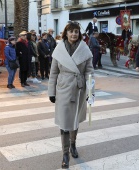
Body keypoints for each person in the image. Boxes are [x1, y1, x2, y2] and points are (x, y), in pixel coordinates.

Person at [48, 21, 94, 169]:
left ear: (79, 33)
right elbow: (53, 73)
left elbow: (89, 72)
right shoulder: (59, 49)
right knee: (64, 123)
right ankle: (65, 154)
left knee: (74, 120)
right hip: (63, 89)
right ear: (65, 33)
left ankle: (73, 144)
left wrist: (90, 92)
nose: (73, 34)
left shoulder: (85, 49)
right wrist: (51, 92)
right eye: (71, 31)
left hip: (79, 89)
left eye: (76, 31)